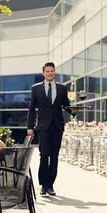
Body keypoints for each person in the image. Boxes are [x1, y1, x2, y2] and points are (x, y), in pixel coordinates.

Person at [27, 62, 78, 196]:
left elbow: (66, 106)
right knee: (44, 155)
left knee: (54, 156)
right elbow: (31, 109)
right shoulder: (36, 88)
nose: (50, 73)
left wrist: (73, 111)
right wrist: (29, 128)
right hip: (42, 127)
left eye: (52, 71)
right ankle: (43, 184)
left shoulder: (62, 88)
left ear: (55, 72)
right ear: (43, 73)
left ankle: (50, 185)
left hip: (57, 126)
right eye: (47, 71)